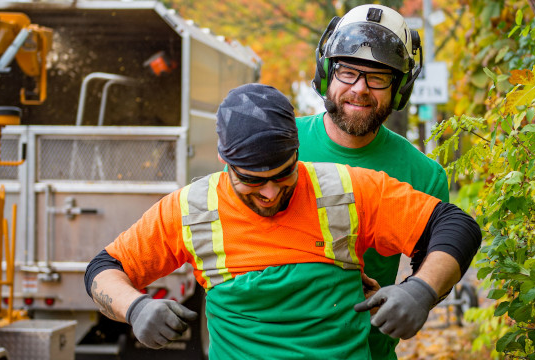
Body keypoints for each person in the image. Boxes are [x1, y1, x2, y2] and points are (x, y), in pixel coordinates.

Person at [84, 84, 481, 359]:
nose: (271, 193)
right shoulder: (192, 209)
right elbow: (105, 269)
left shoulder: (346, 188)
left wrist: (420, 291)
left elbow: (455, 226)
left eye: (283, 174)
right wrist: (134, 309)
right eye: (252, 181)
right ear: (226, 164)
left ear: (297, 150)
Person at [301, 4, 452, 358]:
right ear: (327, 72)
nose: (360, 88)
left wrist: (418, 290)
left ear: (400, 88)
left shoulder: (424, 174)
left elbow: (439, 258)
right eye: (348, 71)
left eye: (378, 77)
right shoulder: (281, 143)